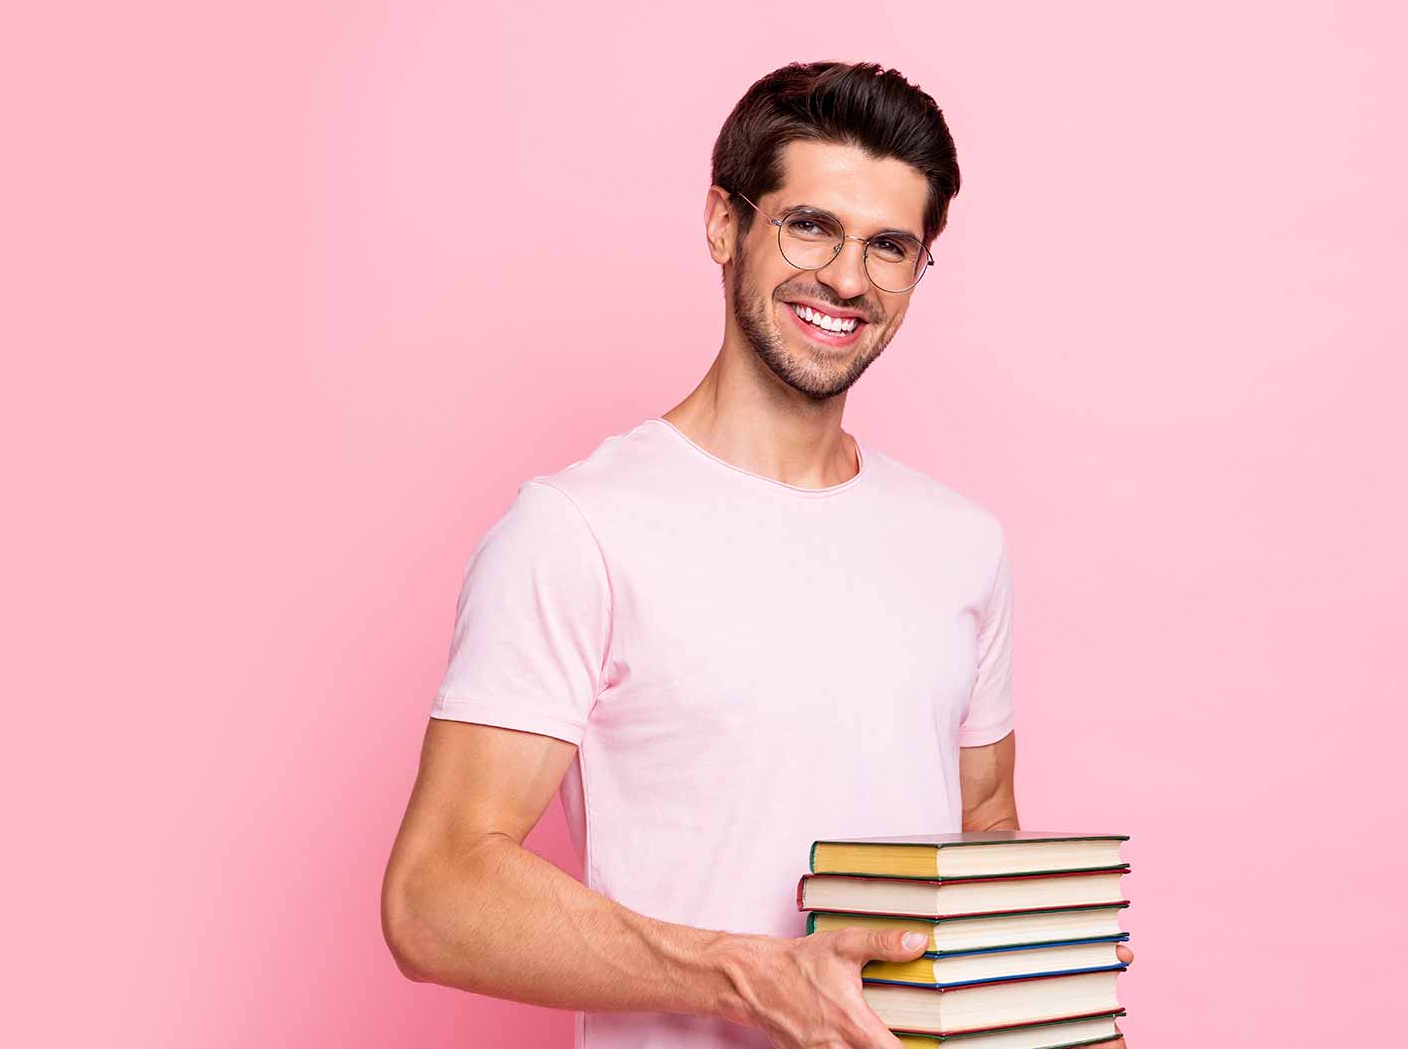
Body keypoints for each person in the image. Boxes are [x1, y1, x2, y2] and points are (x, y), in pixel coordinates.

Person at [381, 60, 1134, 1049]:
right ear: (724, 225)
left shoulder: (963, 544)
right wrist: (751, 976)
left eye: (891, 246)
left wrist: (1049, 1001)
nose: (849, 279)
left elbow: (985, 821)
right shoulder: (578, 528)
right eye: (810, 225)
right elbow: (435, 896)